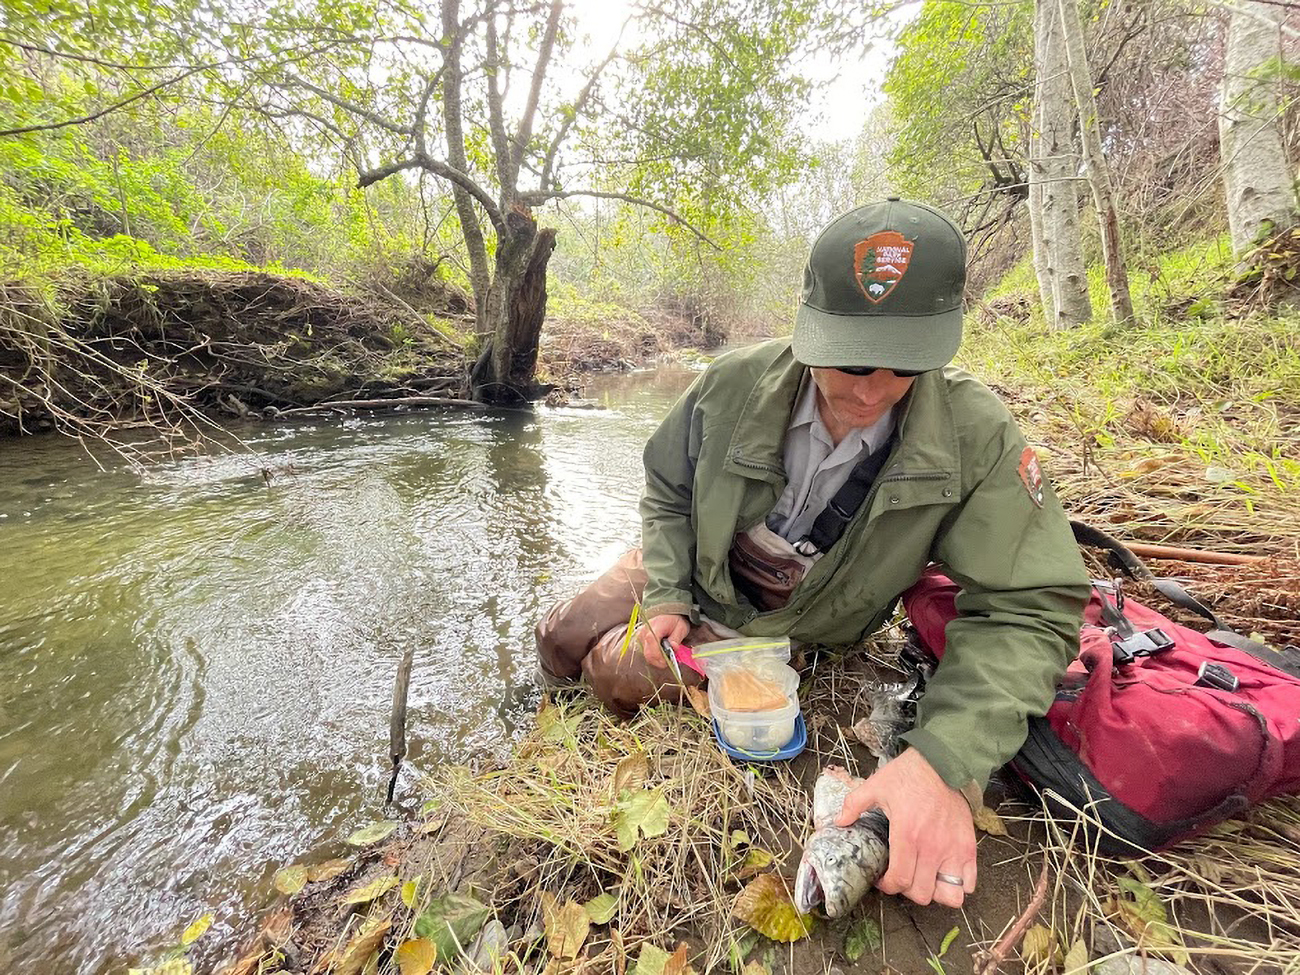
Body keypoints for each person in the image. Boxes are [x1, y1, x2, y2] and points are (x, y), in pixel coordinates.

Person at [535, 199, 1089, 910]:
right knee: (559, 634)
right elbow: (669, 486)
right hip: (689, 562)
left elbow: (1032, 606)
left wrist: (941, 761)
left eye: (904, 365)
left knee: (615, 668)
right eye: (853, 356)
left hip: (782, 620)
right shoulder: (729, 384)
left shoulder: (975, 437)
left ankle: (588, 700)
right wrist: (670, 591)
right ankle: (551, 700)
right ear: (811, 326)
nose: (871, 388)